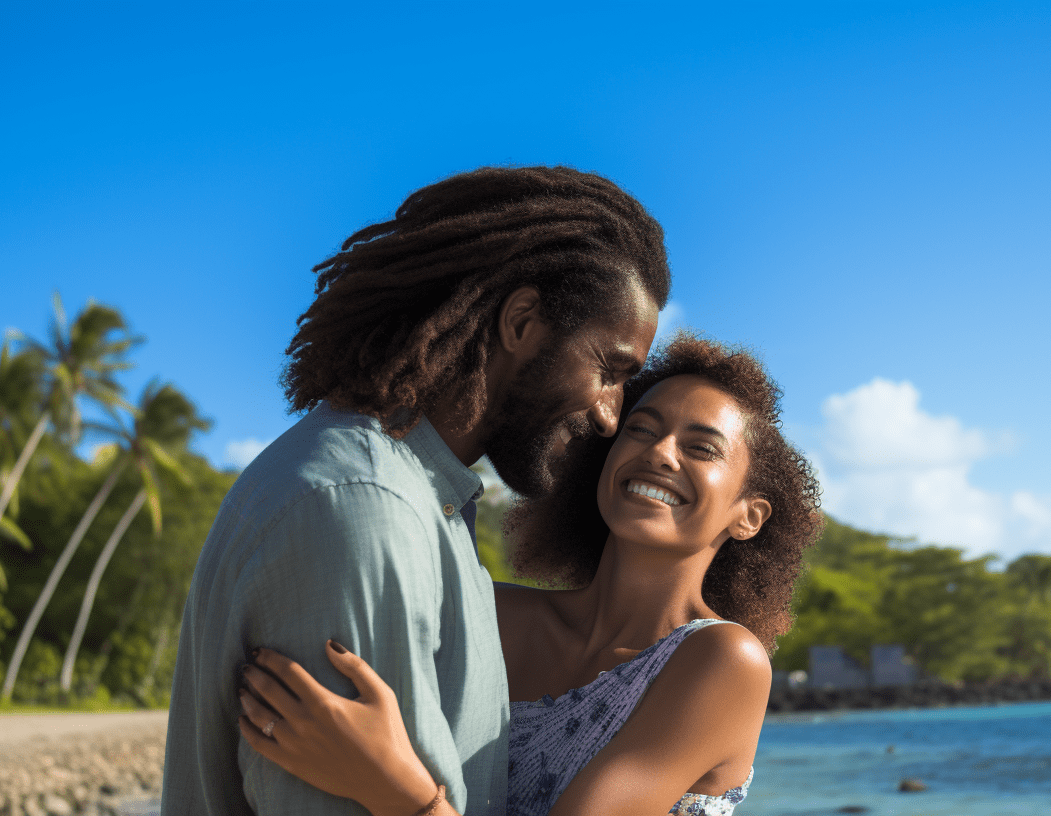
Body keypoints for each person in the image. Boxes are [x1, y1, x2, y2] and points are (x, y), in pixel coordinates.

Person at [161, 166, 672, 816]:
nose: (609, 415)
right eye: (610, 370)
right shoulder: (367, 510)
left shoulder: (424, 504)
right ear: (521, 323)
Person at [234, 335, 824, 816]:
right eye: (642, 429)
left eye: (702, 448)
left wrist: (387, 783)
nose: (661, 452)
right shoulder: (492, 612)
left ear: (749, 516)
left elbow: (383, 769)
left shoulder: (724, 661)